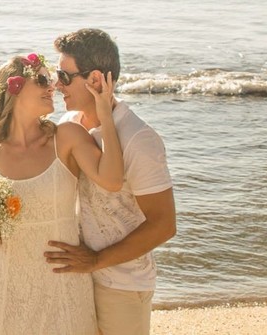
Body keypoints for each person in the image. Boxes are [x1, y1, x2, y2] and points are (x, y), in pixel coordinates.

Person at [0, 53, 125, 335]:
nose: (52, 86)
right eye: (42, 79)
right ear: (13, 88)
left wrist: (105, 113)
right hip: (5, 284)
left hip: (60, 283)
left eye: (51, 79)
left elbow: (113, 180)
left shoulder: (66, 136)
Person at [44, 29, 177, 335]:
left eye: (65, 76)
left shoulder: (138, 138)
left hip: (123, 284)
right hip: (75, 275)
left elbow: (164, 224)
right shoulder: (69, 125)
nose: (57, 84)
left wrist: (97, 260)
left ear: (95, 81)